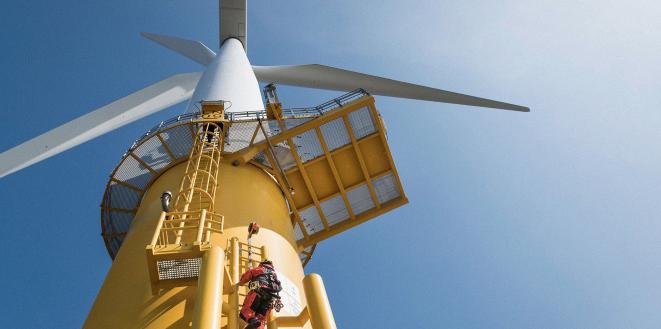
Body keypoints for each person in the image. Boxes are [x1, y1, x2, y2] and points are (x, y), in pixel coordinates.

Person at [238, 260, 284, 329]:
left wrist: (241, 282)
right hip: (270, 298)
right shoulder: (274, 275)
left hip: (259, 292)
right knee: (261, 318)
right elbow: (278, 287)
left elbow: (249, 274)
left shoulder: (260, 269)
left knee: (245, 313)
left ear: (262, 264)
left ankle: (253, 321)